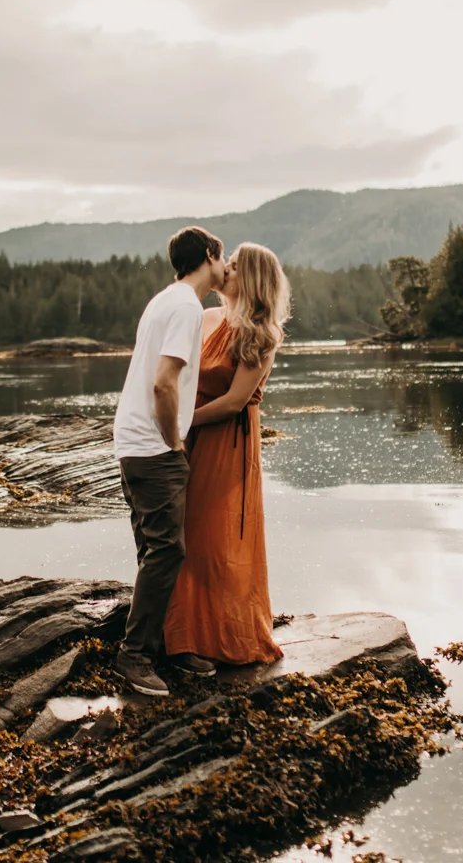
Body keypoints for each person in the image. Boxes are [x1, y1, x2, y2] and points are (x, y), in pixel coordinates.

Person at [112, 225, 226, 697]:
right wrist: (173, 441)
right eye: (222, 257)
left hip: (131, 441)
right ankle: (135, 657)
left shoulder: (164, 299)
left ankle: (160, 648)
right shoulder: (185, 307)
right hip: (152, 446)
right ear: (207, 255)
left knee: (152, 550)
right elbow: (163, 383)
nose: (226, 267)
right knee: (168, 551)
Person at [164, 242, 290, 666]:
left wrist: (183, 422)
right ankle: (182, 636)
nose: (224, 272)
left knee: (216, 537)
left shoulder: (262, 334)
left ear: (251, 278)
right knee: (184, 533)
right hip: (191, 435)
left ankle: (222, 636)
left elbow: (235, 401)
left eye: (233, 267)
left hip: (227, 441)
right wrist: (174, 429)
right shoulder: (206, 318)